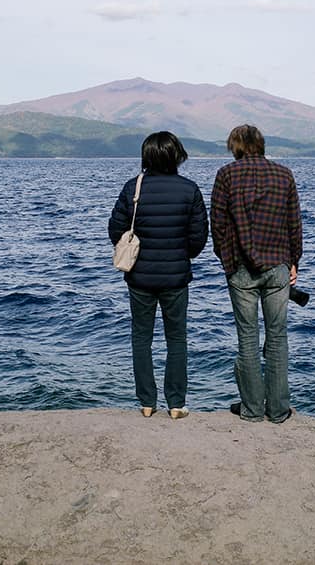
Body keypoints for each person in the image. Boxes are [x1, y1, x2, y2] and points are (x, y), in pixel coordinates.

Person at [108, 131, 208, 420]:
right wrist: (180, 254)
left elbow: (116, 230)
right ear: (177, 155)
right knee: (177, 339)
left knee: (141, 338)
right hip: (176, 277)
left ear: (146, 156)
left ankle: (147, 403)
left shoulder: (133, 188)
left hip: (140, 277)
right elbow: (199, 237)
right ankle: (176, 404)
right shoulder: (190, 190)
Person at [210, 124, 302, 424]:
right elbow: (294, 224)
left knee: (247, 339)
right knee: (277, 337)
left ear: (235, 147)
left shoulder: (226, 175)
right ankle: (277, 411)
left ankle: (251, 409)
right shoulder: (284, 175)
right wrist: (294, 261)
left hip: (240, 271)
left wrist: (228, 261)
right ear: (261, 144)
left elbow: (218, 225)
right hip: (277, 267)